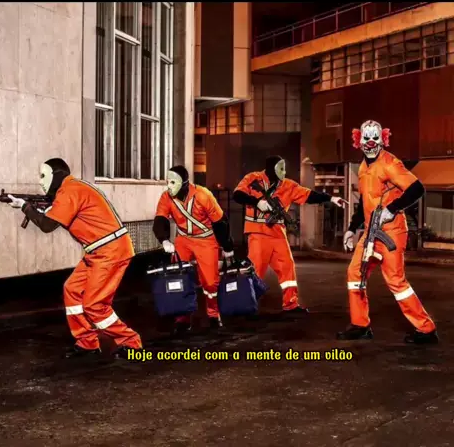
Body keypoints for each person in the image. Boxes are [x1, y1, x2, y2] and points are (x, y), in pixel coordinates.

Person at [7, 158, 142, 359]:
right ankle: (87, 342)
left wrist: (25, 207)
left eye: (43, 176)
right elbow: (51, 217)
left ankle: (131, 343)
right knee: (72, 290)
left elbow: (47, 225)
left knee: (94, 304)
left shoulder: (69, 191)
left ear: (57, 176)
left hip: (110, 251)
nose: (40, 181)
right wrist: (32, 207)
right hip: (98, 251)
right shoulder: (72, 189)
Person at [337, 120, 438, 344]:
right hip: (369, 232)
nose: (371, 142)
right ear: (358, 140)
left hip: (391, 231)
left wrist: (392, 209)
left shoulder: (390, 163)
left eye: (375, 137)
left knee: (396, 281)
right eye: (366, 138)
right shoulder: (363, 167)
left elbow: (417, 188)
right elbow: (363, 202)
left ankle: (426, 329)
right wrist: (351, 230)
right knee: (355, 274)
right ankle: (360, 325)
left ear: (383, 139)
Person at [233, 155, 348, 318]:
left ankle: (291, 304)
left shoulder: (288, 185)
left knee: (287, 267)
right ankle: (246, 304)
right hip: (258, 233)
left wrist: (331, 198)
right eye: (281, 168)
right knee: (255, 271)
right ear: (272, 168)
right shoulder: (253, 178)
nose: (284, 172)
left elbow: (309, 195)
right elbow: (237, 195)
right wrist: (257, 202)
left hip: (278, 234)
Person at [153, 165, 234, 336]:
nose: (168, 186)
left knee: (210, 281)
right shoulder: (166, 197)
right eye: (168, 182)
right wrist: (164, 239)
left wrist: (227, 246)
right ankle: (182, 319)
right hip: (183, 240)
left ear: (184, 183)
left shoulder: (203, 195)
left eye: (172, 182)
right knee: (179, 277)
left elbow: (220, 221)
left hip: (206, 239)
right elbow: (160, 219)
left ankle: (213, 315)